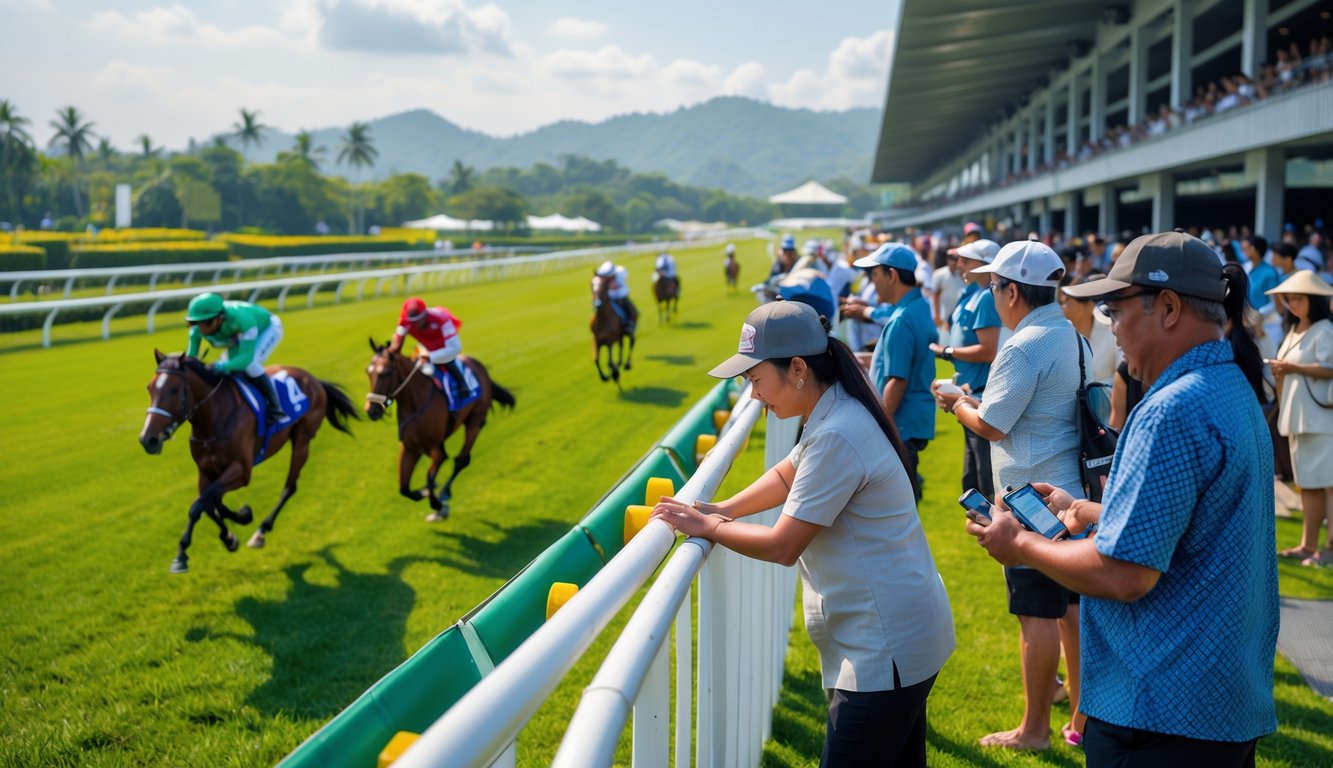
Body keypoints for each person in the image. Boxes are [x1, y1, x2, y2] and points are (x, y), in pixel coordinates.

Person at [974, 231, 1278, 765]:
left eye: (1114, 309)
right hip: (1216, 703)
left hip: (1157, 710)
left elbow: (1124, 574)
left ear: (1166, 307)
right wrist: (1087, 509)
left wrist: (1019, 545)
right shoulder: (1229, 385)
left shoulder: (1170, 409)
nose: (1109, 326)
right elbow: (1193, 530)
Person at [651, 300, 954, 767]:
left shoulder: (838, 431)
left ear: (796, 369)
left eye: (754, 380)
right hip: (898, 636)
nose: (754, 397)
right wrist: (722, 507)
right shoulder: (834, 411)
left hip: (886, 649)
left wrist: (710, 526)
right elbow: (788, 474)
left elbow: (783, 545)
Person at [932, 240, 1084, 752]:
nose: (993, 294)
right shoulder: (1071, 334)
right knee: (1069, 610)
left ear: (1012, 292)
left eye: (995, 286)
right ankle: (1078, 718)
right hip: (1068, 494)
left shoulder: (1023, 344)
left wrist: (956, 403)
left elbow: (993, 426)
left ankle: (1034, 731)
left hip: (1030, 503)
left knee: (1036, 614)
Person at [845, 242, 938, 497]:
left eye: (874, 274)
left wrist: (877, 424)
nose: (873, 282)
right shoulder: (918, 308)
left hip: (900, 426)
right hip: (912, 424)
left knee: (897, 507)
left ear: (892, 275)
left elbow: (897, 380)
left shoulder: (901, 321)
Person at [1267, 270, 1333, 568]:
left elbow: (1330, 368)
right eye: (1289, 299)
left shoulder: (1324, 330)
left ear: (1313, 301)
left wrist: (1294, 369)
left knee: (1328, 484)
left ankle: (1328, 549)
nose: (1292, 304)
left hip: (1321, 419)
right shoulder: (1295, 330)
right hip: (1298, 417)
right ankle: (1308, 545)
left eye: (1298, 298)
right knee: (1307, 484)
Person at [931, 238, 1003, 499]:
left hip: (979, 398)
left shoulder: (985, 297)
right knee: (972, 481)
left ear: (984, 265)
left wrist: (946, 351)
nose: (958, 264)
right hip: (968, 392)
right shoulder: (972, 294)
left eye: (965, 259)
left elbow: (988, 350)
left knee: (983, 482)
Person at [184, 292, 286, 423]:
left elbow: (245, 358)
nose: (202, 329)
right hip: (238, 336)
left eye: (207, 323)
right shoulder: (197, 328)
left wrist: (221, 365)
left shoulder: (242, 319)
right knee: (229, 367)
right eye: (195, 323)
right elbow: (191, 358)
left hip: (266, 328)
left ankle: (276, 408)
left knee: (251, 364)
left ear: (220, 318)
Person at [387, 297, 468, 396]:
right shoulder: (405, 321)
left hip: (444, 345)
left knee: (448, 362)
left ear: (425, 314)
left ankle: (463, 385)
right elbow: (396, 343)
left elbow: (456, 348)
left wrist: (430, 356)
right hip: (425, 345)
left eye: (418, 320)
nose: (415, 324)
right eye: (412, 322)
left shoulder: (441, 317)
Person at [1059, 274, 1119, 385]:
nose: (1062, 306)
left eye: (1067, 300)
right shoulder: (1060, 337)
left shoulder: (1110, 332)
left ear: (1089, 304)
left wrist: (1091, 392)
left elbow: (1122, 378)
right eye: (1061, 302)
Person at [593, 260, 638, 335]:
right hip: (609, 296)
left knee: (632, 311)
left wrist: (613, 287)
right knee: (598, 306)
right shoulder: (602, 273)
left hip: (620, 295)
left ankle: (629, 324)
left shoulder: (620, 274)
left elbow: (618, 286)